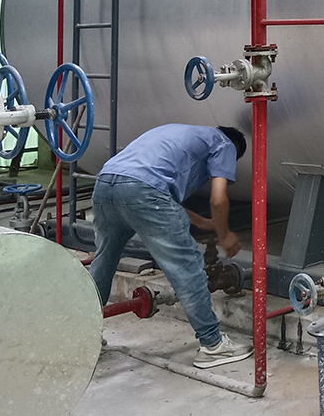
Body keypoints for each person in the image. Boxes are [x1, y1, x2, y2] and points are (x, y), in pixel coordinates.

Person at [88, 123, 253, 368]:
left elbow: (160, 197)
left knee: (103, 262)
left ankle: (85, 336)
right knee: (188, 269)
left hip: (105, 184)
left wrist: (202, 223)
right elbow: (218, 199)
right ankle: (213, 346)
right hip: (142, 191)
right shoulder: (225, 144)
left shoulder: (179, 134)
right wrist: (224, 234)